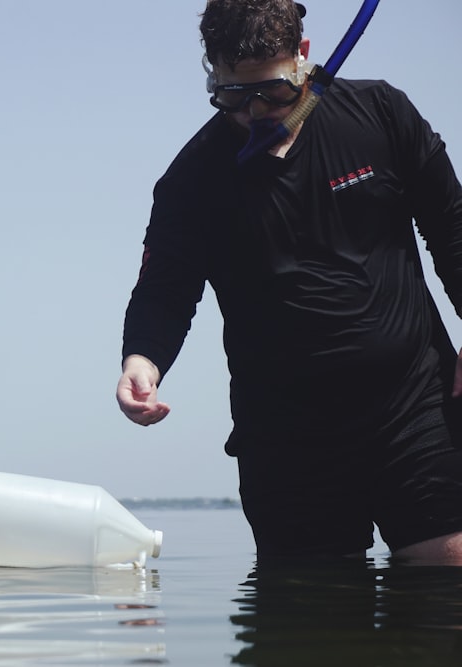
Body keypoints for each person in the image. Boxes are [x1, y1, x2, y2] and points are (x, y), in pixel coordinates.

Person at [116, 0, 462, 563]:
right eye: (233, 96)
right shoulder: (192, 179)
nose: (256, 113)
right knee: (311, 626)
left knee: (444, 602)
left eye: (273, 93)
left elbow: (452, 226)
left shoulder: (380, 114)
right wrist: (142, 362)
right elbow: (165, 289)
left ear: (303, 57)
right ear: (212, 72)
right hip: (287, 439)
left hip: (416, 411)